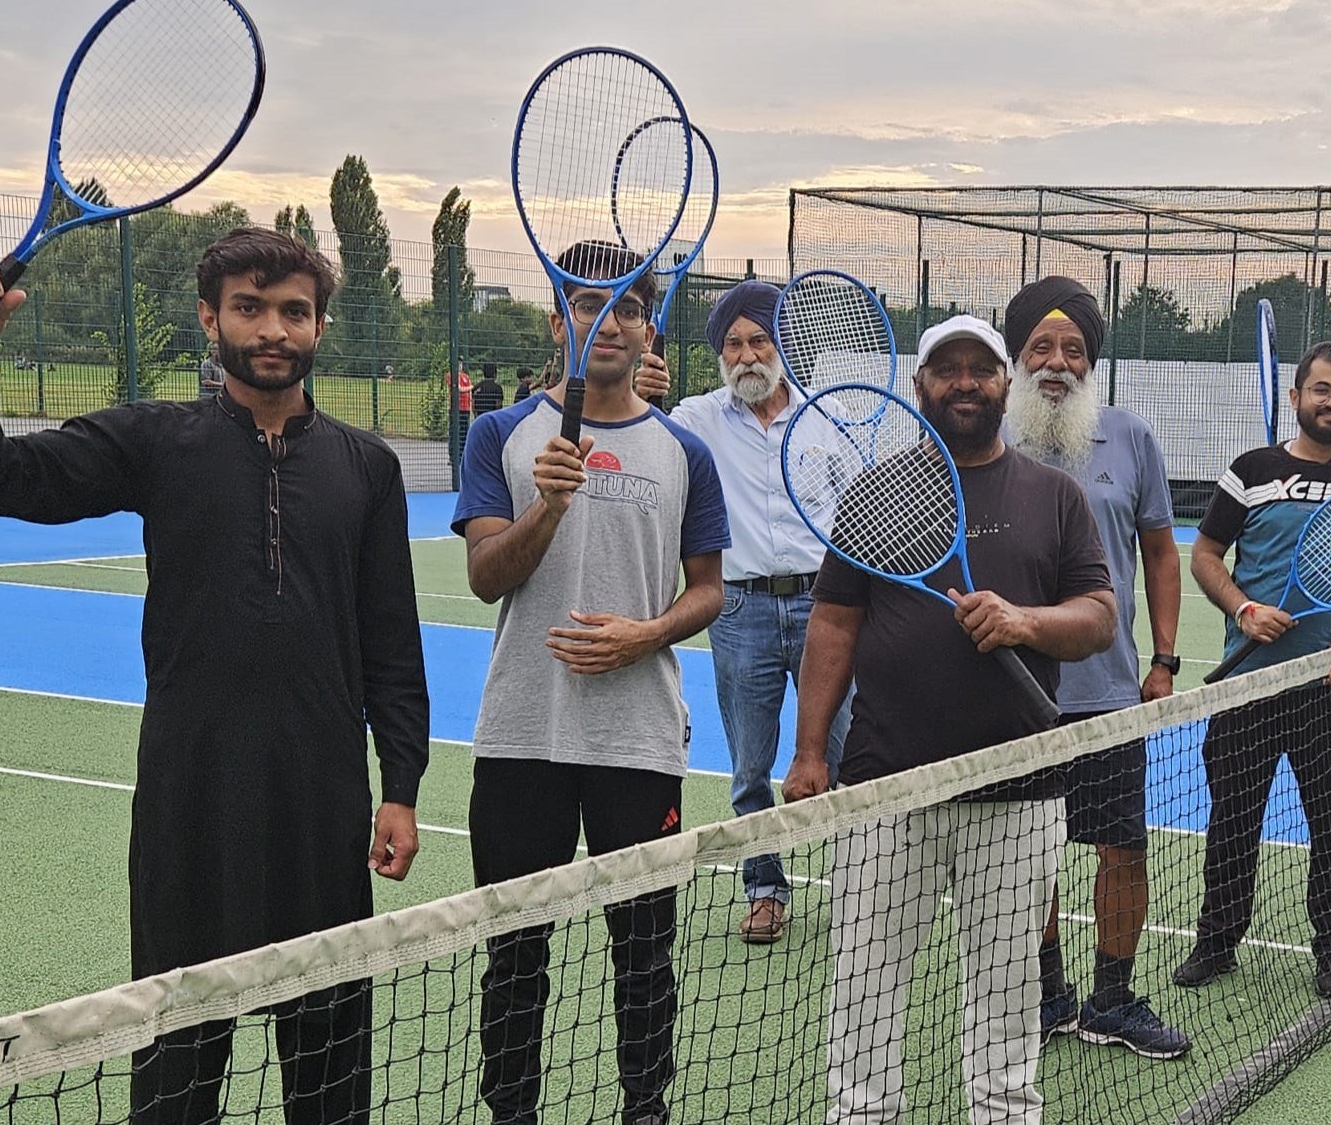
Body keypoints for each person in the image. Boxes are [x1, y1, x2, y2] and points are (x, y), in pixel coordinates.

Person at [0, 229, 430, 1125]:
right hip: (188, 795)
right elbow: (4, 477)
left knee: (329, 1068)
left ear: (321, 325)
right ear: (208, 318)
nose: (272, 328)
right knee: (179, 1061)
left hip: (321, 798)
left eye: (293, 310)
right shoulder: (157, 439)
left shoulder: (369, 469)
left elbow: (391, 641)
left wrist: (402, 787)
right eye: (249, 308)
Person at [782, 315, 1116, 1125]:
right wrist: (809, 750)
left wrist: (1026, 622)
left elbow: (1100, 614)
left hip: (1021, 791)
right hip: (887, 785)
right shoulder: (879, 491)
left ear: (1005, 383)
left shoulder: (1056, 495)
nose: (965, 383)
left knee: (1006, 1007)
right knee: (864, 997)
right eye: (946, 369)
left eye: (980, 369)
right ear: (920, 385)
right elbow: (833, 624)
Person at [453, 239, 729, 1125]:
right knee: (515, 950)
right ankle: (512, 1112)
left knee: (645, 949)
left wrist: (647, 634)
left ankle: (644, 1107)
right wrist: (549, 504)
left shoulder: (686, 452)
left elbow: (710, 589)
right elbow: (488, 575)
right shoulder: (499, 434)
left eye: (627, 307)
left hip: (638, 742)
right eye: (585, 304)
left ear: (648, 327)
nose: (606, 321)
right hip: (522, 737)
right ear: (558, 320)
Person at [1170, 341, 1331, 1001]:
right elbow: (1204, 555)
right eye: (1321, 390)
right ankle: (1217, 942)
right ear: (1296, 396)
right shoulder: (1251, 469)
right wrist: (1243, 606)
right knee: (1232, 822)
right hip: (1248, 685)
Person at [992, 276, 1188, 1059]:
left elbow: (1162, 551)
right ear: (1016, 356)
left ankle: (1111, 998)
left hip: (1109, 691)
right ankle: (1047, 993)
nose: (1057, 361)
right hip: (1012, 694)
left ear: (1092, 360)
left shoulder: (1131, 437)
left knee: (1123, 847)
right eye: (1041, 345)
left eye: (1073, 347)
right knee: (1025, 851)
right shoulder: (986, 440)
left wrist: (1166, 658)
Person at [632, 279, 850, 945]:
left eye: (759, 340)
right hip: (739, 610)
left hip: (827, 610)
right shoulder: (693, 419)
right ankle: (765, 889)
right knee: (751, 766)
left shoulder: (830, 418)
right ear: (721, 355)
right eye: (734, 343)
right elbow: (640, 435)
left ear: (782, 346)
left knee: (847, 755)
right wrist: (644, 395)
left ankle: (860, 891)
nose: (748, 354)